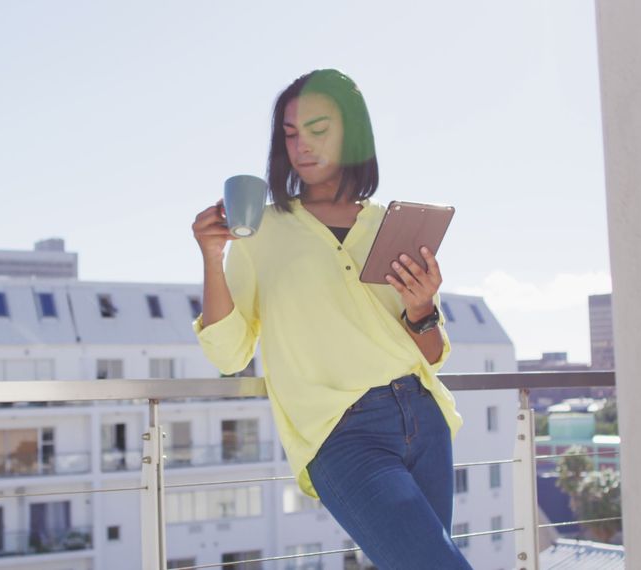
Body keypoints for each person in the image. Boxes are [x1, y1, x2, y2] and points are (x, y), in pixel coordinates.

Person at [191, 69, 472, 569]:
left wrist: (422, 307)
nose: (302, 146)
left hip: (423, 416)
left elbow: (430, 356)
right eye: (292, 133)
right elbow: (228, 353)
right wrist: (213, 256)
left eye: (318, 130)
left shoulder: (390, 222)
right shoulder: (263, 231)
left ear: (353, 134)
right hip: (341, 432)